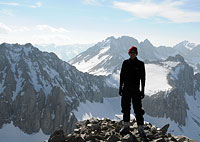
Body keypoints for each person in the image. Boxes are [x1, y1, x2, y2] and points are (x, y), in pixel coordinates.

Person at [119, 46, 146, 137]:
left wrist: (142, 90)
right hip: (126, 89)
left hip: (135, 90)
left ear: (136, 53)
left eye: (134, 52)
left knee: (138, 109)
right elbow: (122, 76)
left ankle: (140, 128)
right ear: (129, 53)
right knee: (125, 108)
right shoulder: (125, 63)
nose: (132, 54)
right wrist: (120, 87)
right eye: (131, 52)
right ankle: (126, 126)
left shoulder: (140, 64)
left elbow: (143, 78)